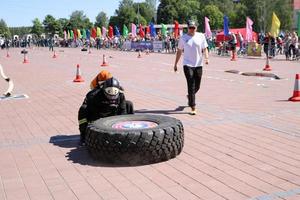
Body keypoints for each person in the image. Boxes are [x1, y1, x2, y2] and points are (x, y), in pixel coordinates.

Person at [78, 77, 134, 145]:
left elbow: (123, 112)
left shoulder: (121, 95)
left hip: (113, 114)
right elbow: (93, 114)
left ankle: (130, 132)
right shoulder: (93, 96)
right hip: (98, 115)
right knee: (83, 109)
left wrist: (120, 127)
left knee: (129, 104)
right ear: (104, 90)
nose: (112, 98)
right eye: (109, 95)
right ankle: (83, 135)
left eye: (114, 96)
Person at [174, 20, 209, 115]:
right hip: (187, 64)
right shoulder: (183, 38)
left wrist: (207, 58)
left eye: (194, 28)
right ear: (188, 28)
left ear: (196, 28)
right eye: (190, 28)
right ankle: (193, 106)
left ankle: (189, 96)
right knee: (191, 84)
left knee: (197, 85)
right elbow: (179, 51)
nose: (192, 29)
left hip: (198, 64)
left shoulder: (201, 36)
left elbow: (205, 48)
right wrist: (176, 63)